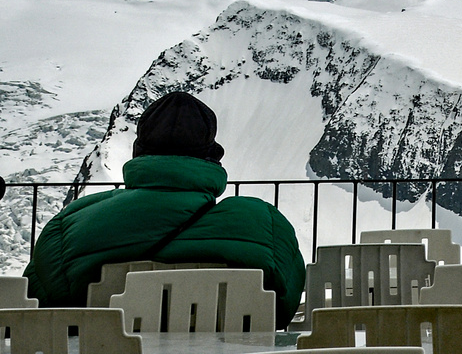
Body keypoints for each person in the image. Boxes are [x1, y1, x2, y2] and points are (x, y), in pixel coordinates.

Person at [27, 92, 306, 320]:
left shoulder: (68, 226)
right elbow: (282, 307)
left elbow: (37, 308)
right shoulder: (264, 224)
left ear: (138, 152)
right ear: (211, 157)